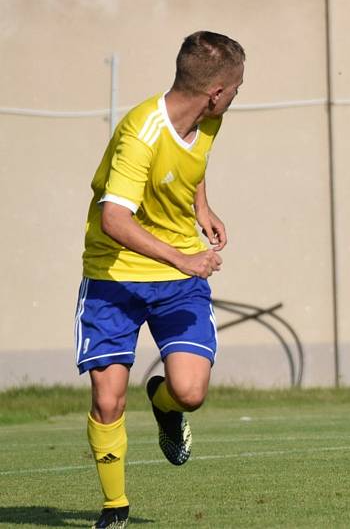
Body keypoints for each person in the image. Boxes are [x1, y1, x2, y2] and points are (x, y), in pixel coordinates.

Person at [74, 31, 245, 528]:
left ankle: (163, 405)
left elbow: (191, 163)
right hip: (115, 273)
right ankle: (115, 508)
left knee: (189, 392)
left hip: (175, 278)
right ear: (215, 92)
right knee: (107, 399)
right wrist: (184, 258)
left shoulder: (207, 121)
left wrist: (201, 206)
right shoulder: (140, 134)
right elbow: (114, 219)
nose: (237, 95)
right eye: (236, 87)